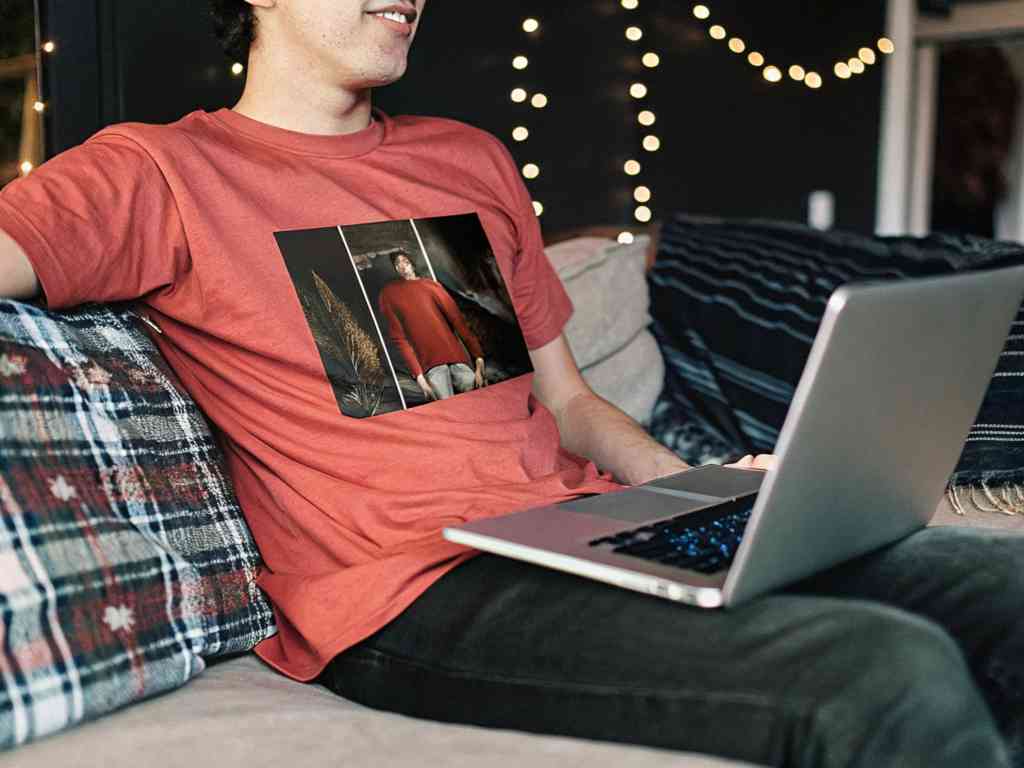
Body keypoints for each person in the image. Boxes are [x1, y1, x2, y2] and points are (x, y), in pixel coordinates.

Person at [0, 2, 1021, 765]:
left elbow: (571, 403)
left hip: (582, 528)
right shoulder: (160, 172)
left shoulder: (468, 158)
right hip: (408, 591)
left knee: (996, 585)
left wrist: (702, 488)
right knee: (880, 673)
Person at [377, 248, 485, 401]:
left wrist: (479, 361)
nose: (402, 265)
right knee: (450, 412)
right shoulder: (389, 294)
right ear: (395, 269)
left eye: (405, 261)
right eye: (397, 264)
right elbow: (399, 339)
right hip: (431, 366)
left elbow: (459, 322)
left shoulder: (431, 286)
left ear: (412, 264)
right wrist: (421, 380)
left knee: (480, 400)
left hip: (457, 359)